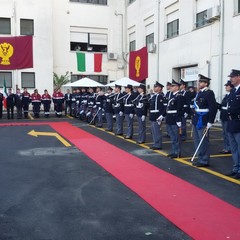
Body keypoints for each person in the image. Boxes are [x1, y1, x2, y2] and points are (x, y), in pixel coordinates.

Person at [192, 74, 218, 167]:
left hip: (203, 120)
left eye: (201, 82)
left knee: (203, 141)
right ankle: (200, 158)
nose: (199, 83)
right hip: (196, 119)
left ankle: (204, 160)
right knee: (197, 140)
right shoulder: (199, 93)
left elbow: (213, 108)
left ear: (206, 83)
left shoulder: (209, 93)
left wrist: (210, 121)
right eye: (199, 81)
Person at [225, 69, 240, 179]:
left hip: (238, 122)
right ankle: (236, 168)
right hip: (231, 122)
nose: (231, 79)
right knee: (234, 148)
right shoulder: (233, 90)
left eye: (233, 77)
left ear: (238, 77)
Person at [165, 80, 185, 158]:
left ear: (177, 87)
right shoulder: (172, 96)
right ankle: (174, 151)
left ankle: (177, 152)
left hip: (175, 118)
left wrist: (178, 120)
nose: (171, 87)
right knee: (172, 137)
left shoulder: (179, 96)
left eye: (172, 86)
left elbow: (179, 109)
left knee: (176, 137)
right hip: (170, 118)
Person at [149, 81, 165, 150]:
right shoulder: (154, 96)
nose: (154, 88)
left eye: (155, 87)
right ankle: (155, 143)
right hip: (153, 115)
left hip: (157, 116)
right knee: (154, 131)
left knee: (157, 131)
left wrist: (161, 116)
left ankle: (158, 145)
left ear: (159, 88)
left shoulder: (160, 96)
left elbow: (162, 108)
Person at [219, 80, 233, 154]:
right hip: (223, 115)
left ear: (231, 87)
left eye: (227, 86)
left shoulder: (231, 95)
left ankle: (229, 148)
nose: (226, 87)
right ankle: (226, 147)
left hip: (227, 115)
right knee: (224, 133)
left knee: (228, 133)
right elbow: (222, 105)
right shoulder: (226, 95)